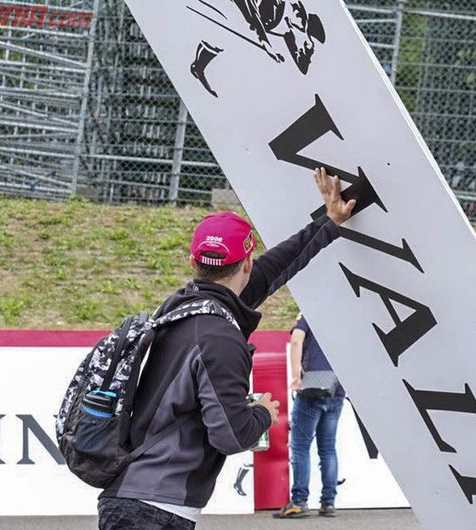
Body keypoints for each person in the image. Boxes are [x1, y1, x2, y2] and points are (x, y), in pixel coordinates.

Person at [97, 167, 355, 530]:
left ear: (193, 263)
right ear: (247, 262)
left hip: (134, 497)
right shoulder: (219, 335)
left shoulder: (185, 305)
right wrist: (263, 412)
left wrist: (330, 222)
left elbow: (279, 265)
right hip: (154, 509)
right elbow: (231, 435)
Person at [276, 315, 346, 519]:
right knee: (328, 448)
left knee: (300, 446)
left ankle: (299, 501)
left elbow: (297, 339)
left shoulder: (310, 311)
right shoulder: (344, 317)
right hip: (336, 387)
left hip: (312, 386)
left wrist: (296, 375)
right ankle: (328, 502)